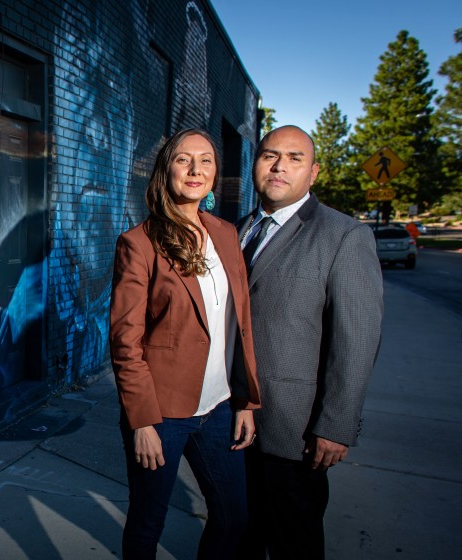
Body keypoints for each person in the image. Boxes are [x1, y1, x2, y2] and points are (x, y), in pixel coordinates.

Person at [110, 129, 261, 560]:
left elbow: (240, 323)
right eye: (183, 159)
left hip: (218, 407)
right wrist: (142, 422)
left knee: (234, 516)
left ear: (216, 172)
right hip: (161, 413)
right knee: (147, 522)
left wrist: (246, 401)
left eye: (206, 160)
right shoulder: (138, 244)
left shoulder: (227, 234)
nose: (196, 169)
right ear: (166, 169)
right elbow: (126, 340)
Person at [235, 125, 383, 559]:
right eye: (269, 155)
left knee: (293, 541)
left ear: (313, 172)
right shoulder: (236, 229)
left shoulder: (344, 236)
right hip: (230, 419)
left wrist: (335, 425)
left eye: (295, 158)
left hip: (292, 431)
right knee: (238, 532)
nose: (280, 166)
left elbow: (356, 339)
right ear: (255, 164)